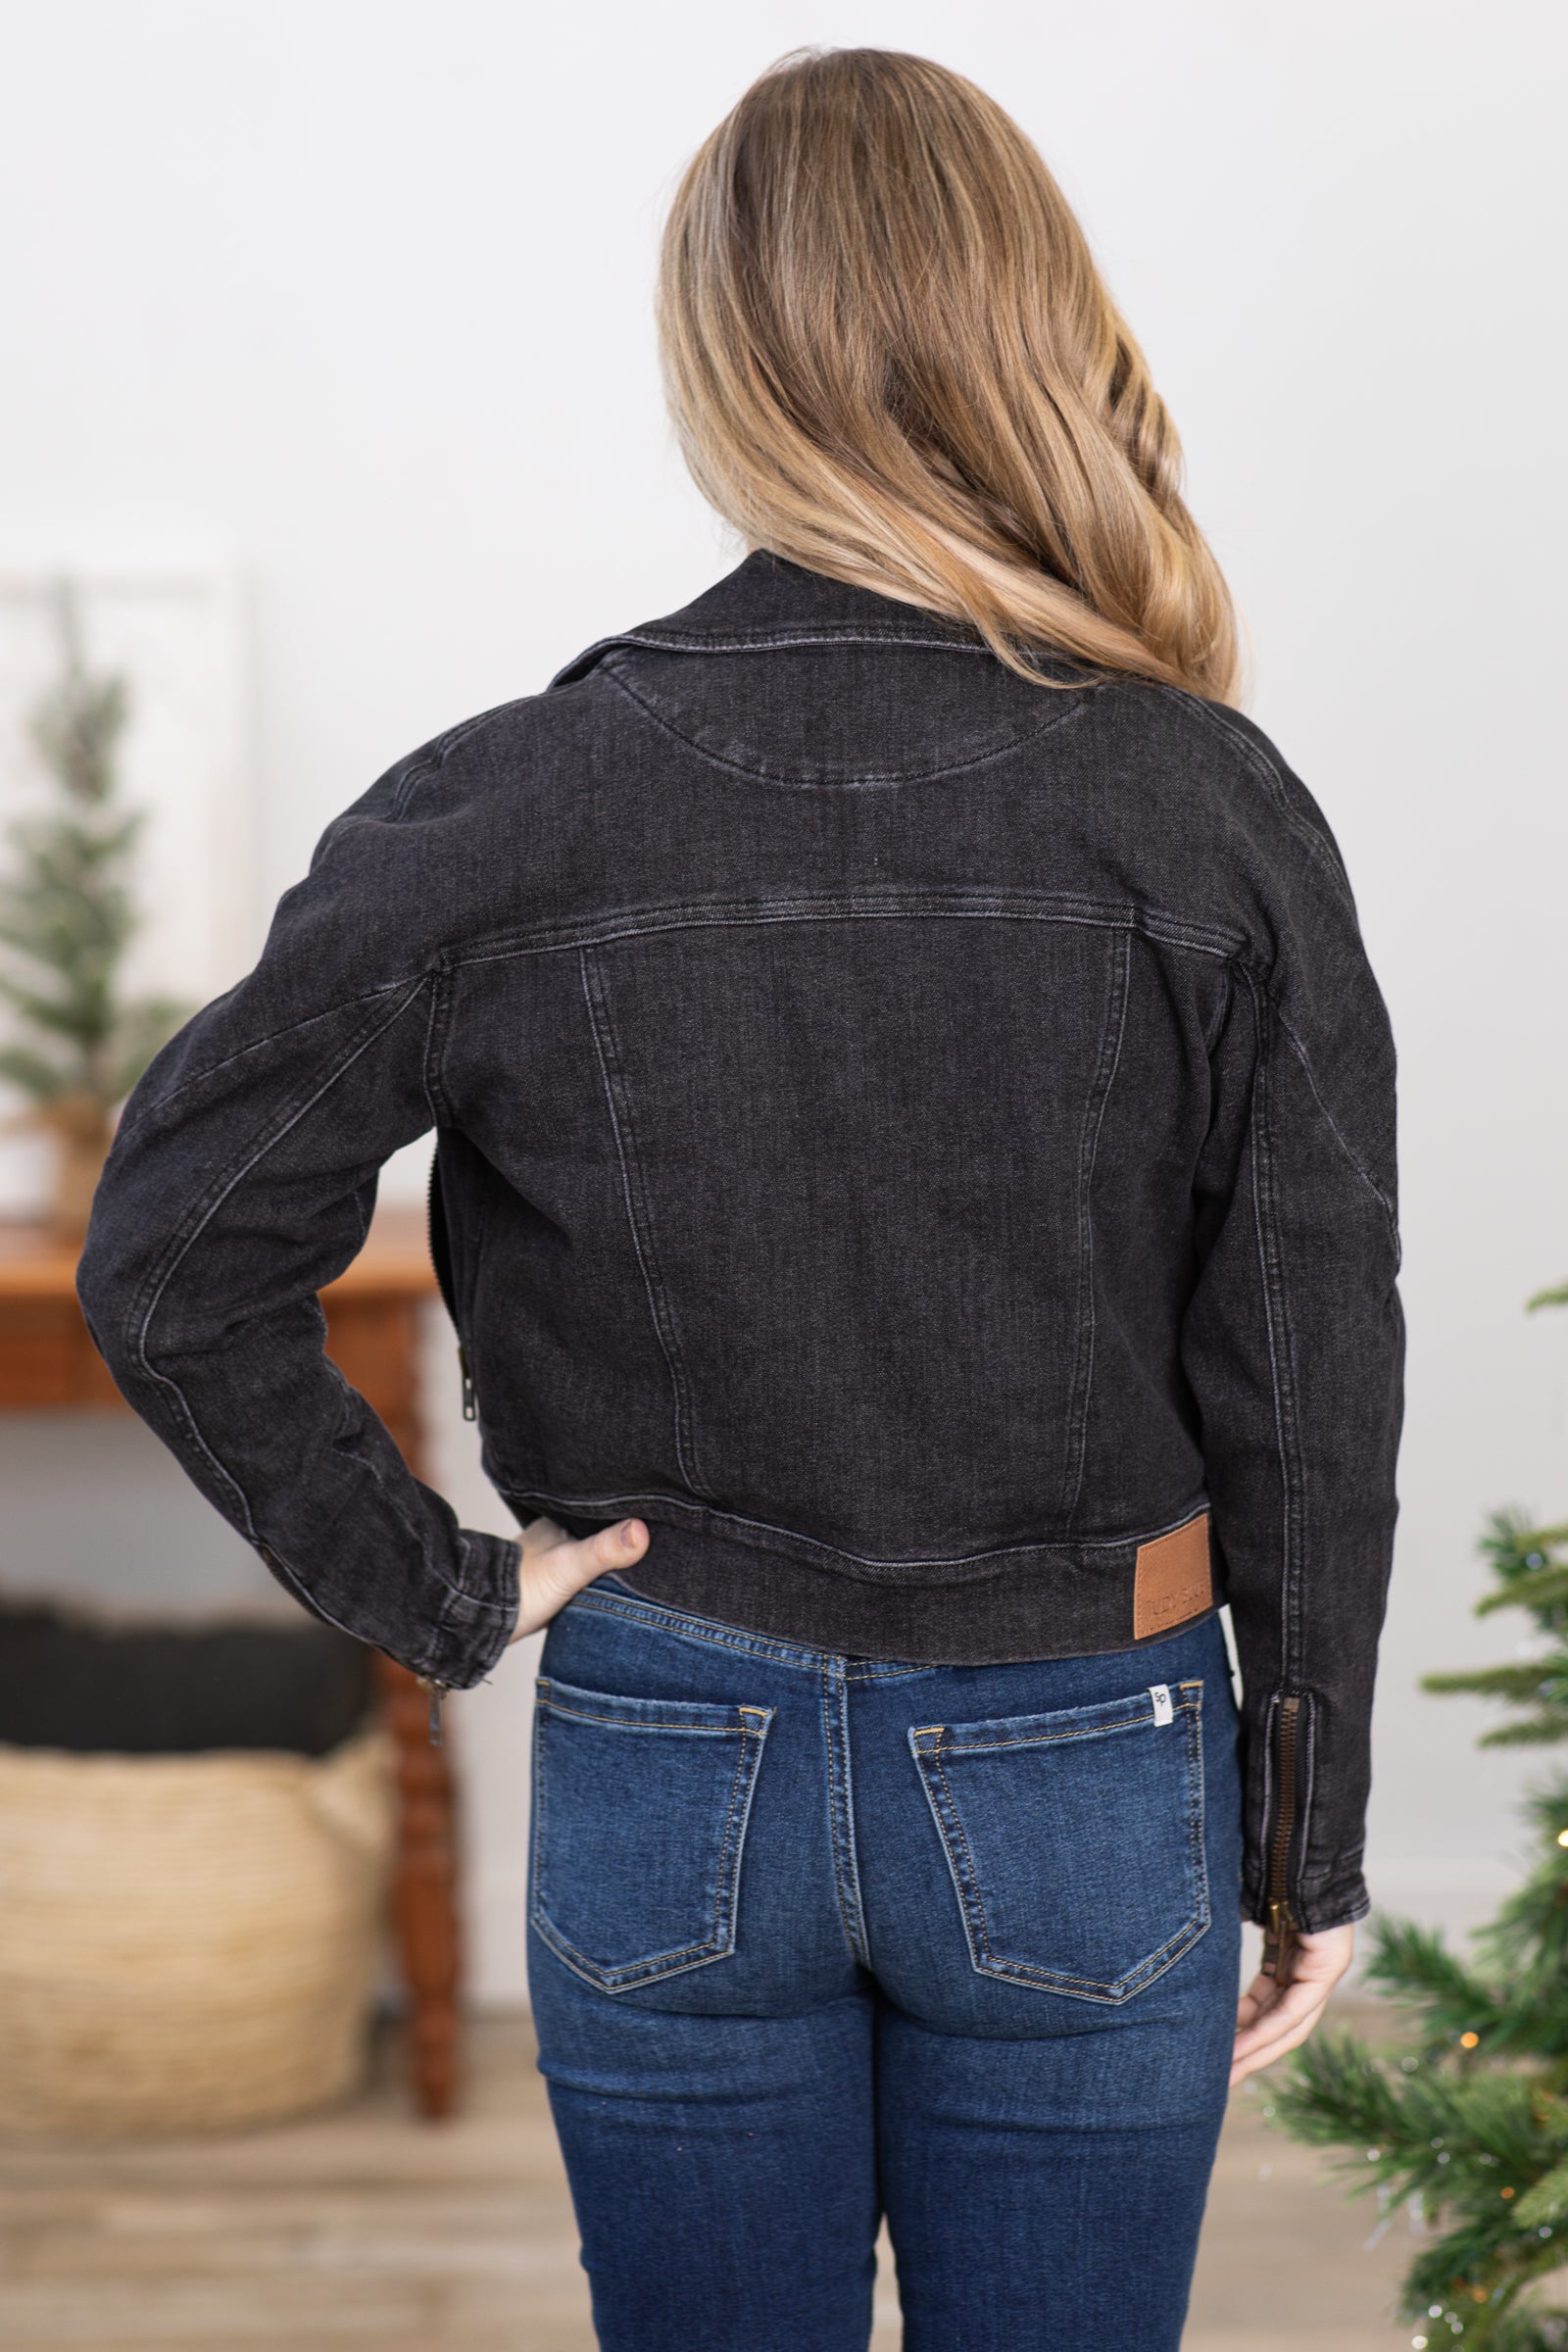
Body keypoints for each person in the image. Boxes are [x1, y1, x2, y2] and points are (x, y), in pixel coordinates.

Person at [76, 46, 1403, 2352]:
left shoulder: (513, 805)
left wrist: (449, 1593)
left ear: (722, 360)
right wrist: (1306, 1837)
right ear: (1028, 323)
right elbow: (1306, 1377)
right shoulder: (1203, 811)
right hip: (1086, 1753)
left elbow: (171, 1254)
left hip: (668, 1732)